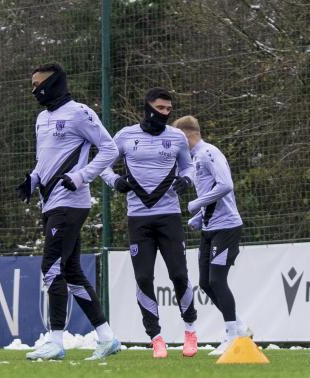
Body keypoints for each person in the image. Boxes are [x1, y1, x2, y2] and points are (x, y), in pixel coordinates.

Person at [19, 63, 122, 361]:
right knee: (72, 272)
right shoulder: (41, 119)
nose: (33, 89)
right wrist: (33, 179)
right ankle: (107, 337)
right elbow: (44, 161)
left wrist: (82, 176)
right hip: (49, 202)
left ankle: (55, 341)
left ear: (53, 83)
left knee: (50, 266)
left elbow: (109, 148)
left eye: (37, 83)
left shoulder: (80, 112)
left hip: (71, 202)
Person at [101, 88, 196, 359]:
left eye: (168, 109)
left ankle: (190, 330)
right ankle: (155, 337)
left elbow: (188, 168)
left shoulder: (177, 137)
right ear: (148, 107)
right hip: (138, 219)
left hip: (169, 217)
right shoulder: (125, 136)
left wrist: (186, 180)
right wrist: (115, 181)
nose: (165, 113)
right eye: (160, 108)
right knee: (143, 278)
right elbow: (103, 165)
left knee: (179, 274)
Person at [173, 115, 250, 357]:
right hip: (210, 229)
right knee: (206, 283)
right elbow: (212, 195)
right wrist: (199, 217)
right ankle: (240, 327)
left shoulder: (208, 152)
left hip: (226, 228)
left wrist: (196, 203)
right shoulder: (195, 158)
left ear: (187, 135)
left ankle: (232, 335)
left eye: (177, 139)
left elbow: (225, 185)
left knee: (217, 280)